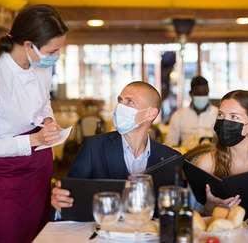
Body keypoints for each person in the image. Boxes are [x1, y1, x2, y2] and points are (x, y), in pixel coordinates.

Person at [0, 5, 68, 242]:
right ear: (28, 45)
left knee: (43, 234)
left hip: (40, 163)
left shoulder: (40, 64)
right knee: (11, 235)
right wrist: (33, 139)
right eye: (53, 50)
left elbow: (43, 103)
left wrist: (47, 120)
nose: (56, 56)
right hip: (6, 173)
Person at [51, 81, 181, 214]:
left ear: (151, 114)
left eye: (129, 102)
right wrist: (59, 202)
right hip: (103, 231)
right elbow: (68, 198)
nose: (120, 107)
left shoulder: (170, 158)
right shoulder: (93, 148)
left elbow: (174, 209)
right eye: (120, 101)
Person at [165, 76, 218, 149]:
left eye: (205, 94)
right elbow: (170, 144)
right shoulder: (179, 115)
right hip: (187, 157)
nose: (202, 97)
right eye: (198, 94)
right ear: (190, 94)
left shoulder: (218, 114)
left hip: (212, 157)